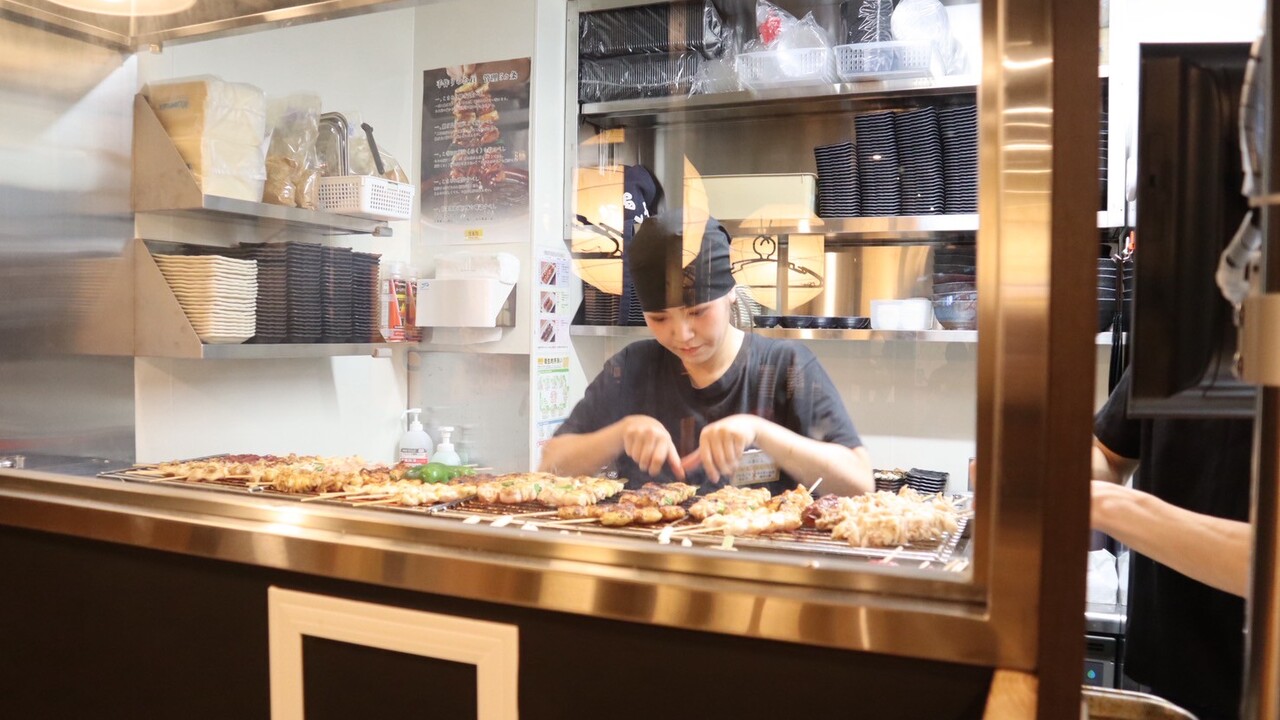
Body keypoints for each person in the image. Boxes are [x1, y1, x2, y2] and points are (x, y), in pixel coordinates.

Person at [540, 212, 873, 496]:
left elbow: (860, 482)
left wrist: (760, 431)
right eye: (659, 319)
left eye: (698, 312)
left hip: (753, 550)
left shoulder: (785, 366)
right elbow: (549, 466)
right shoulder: (630, 368)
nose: (682, 334)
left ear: (731, 292)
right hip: (647, 550)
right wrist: (619, 434)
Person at [1091, 368, 1252, 719]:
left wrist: (1105, 504)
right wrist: (1053, 466)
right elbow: (1109, 455)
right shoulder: (1176, 343)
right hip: (1174, 674)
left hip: (1259, 684)